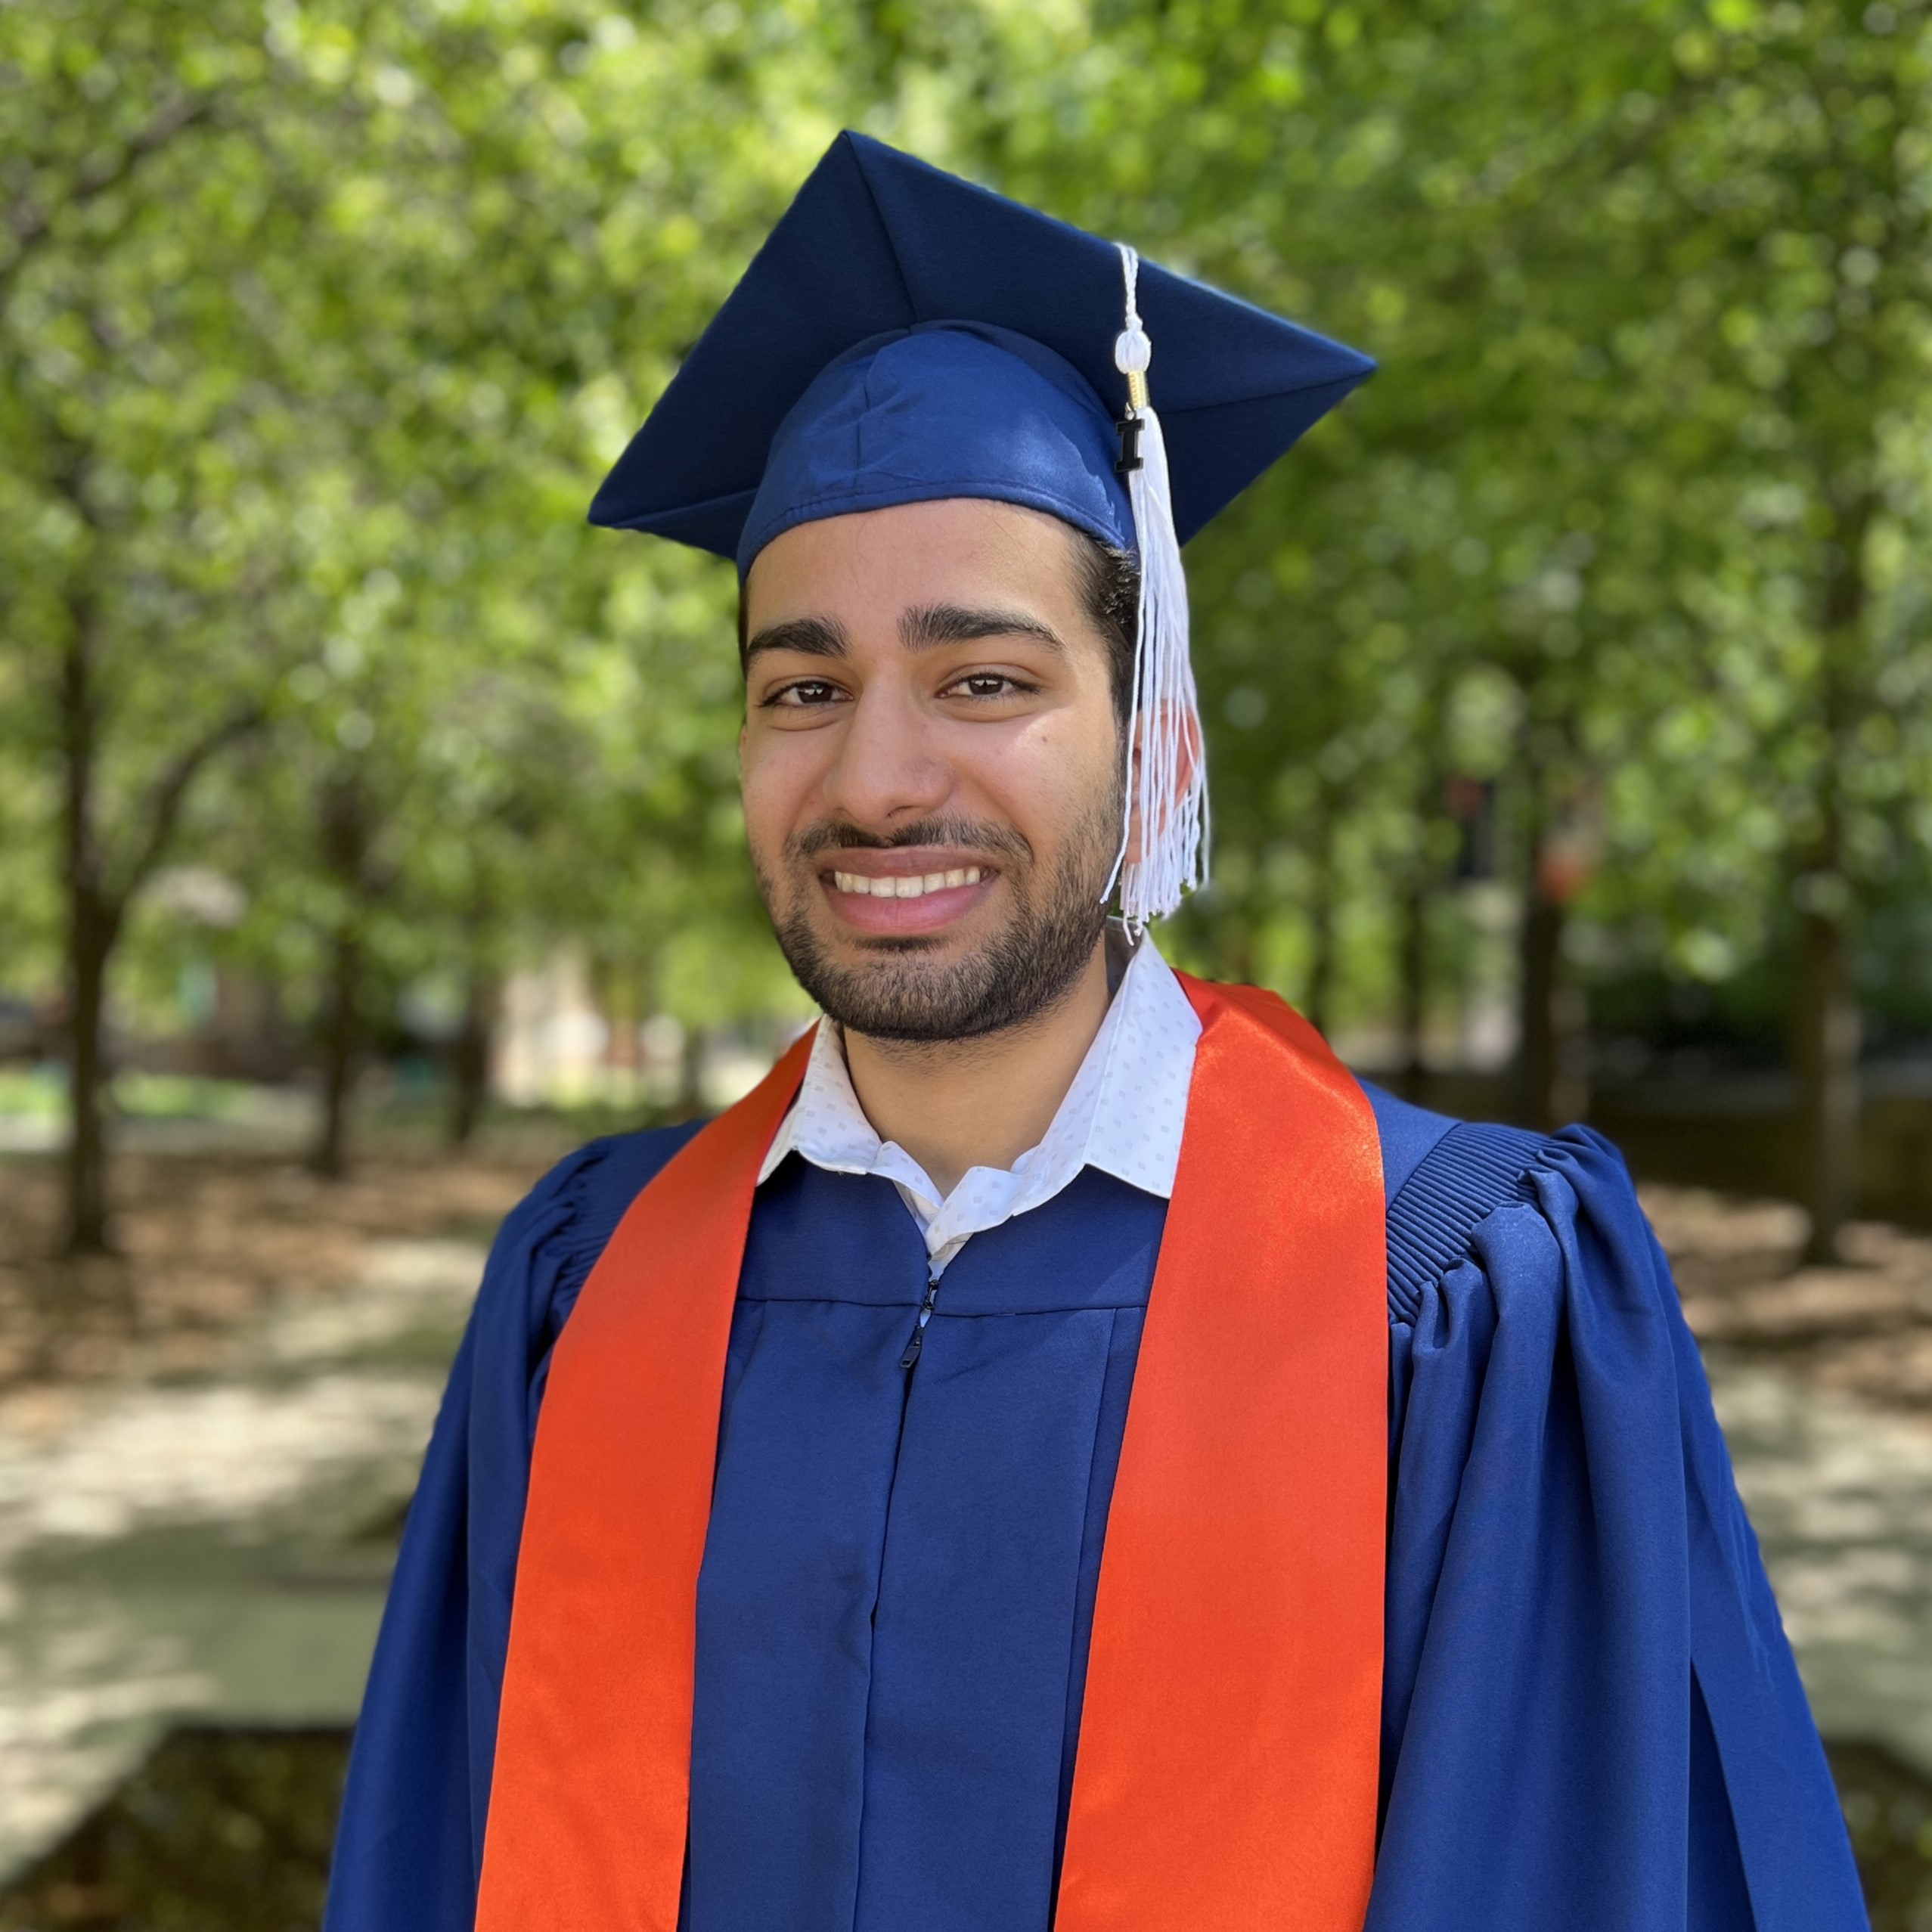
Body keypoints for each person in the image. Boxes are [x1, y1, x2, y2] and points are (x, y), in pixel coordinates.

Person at [323, 134, 1865, 1932]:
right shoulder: (587, 1287)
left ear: (1149, 732)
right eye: (801, 689)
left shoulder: (1450, 1291)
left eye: (986, 679)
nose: (879, 777)